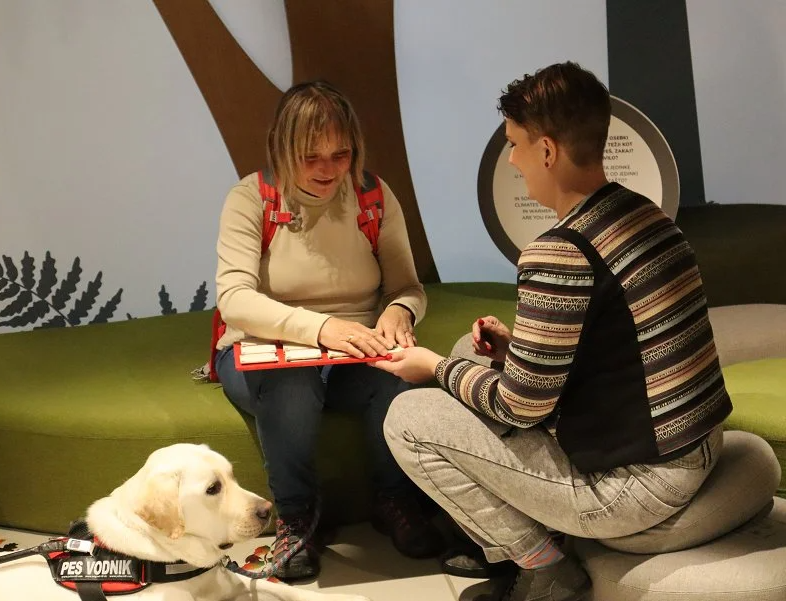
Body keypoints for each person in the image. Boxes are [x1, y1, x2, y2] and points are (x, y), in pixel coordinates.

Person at [374, 62, 732, 601]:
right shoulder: (647, 216)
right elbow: (618, 347)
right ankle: (514, 540)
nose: (512, 160)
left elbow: (522, 408)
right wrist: (512, 351)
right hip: (694, 443)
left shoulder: (559, 251)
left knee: (407, 417)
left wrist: (433, 368)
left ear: (546, 151)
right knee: (469, 352)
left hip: (639, 486)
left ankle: (545, 570)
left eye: (514, 145)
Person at [214, 80, 443, 580]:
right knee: (292, 385)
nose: (327, 169)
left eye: (341, 155)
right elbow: (234, 299)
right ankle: (296, 518)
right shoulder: (250, 198)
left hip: (352, 352)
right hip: (262, 351)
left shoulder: (373, 195)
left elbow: (408, 287)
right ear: (281, 147)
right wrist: (321, 329)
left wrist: (399, 312)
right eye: (310, 156)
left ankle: (395, 501)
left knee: (399, 375)